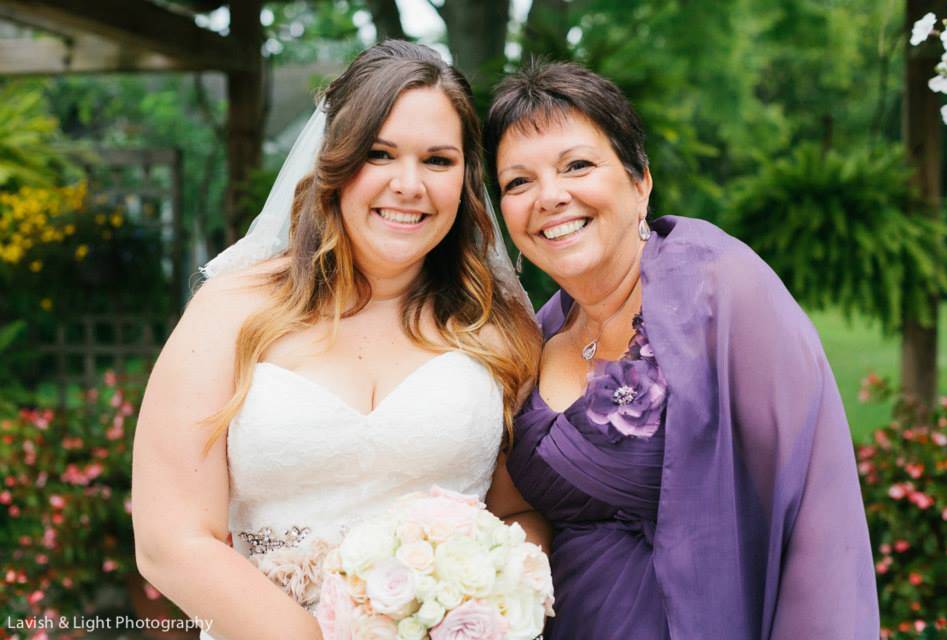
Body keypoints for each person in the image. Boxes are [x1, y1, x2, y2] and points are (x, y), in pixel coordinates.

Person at [131, 41, 545, 640]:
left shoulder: (499, 328)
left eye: (437, 160)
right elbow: (171, 541)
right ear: (336, 161)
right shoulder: (231, 310)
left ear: (465, 177)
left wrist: (488, 600)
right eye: (380, 154)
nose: (409, 184)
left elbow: (521, 514)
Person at [487, 61, 879, 639]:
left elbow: (816, 508)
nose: (549, 196)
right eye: (518, 182)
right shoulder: (533, 337)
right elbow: (518, 513)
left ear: (640, 181)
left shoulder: (719, 288)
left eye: (577, 166)